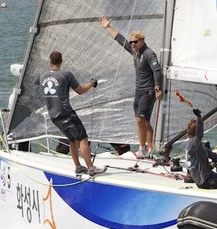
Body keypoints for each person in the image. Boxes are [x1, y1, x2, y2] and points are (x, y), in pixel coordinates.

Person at [99, 16, 164, 155]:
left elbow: (157, 70)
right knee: (144, 122)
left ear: (142, 41)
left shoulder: (148, 54)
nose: (132, 44)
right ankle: (150, 147)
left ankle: (142, 148)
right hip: (138, 91)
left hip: (148, 91)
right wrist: (107, 27)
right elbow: (120, 39)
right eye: (131, 42)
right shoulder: (135, 51)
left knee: (139, 119)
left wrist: (158, 88)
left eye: (135, 42)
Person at [38, 50, 105, 176]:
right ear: (61, 62)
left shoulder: (42, 76)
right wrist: (92, 84)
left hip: (53, 116)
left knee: (72, 139)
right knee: (83, 138)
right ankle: (91, 168)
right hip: (66, 113)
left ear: (50, 62)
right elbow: (80, 90)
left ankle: (78, 167)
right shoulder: (66, 74)